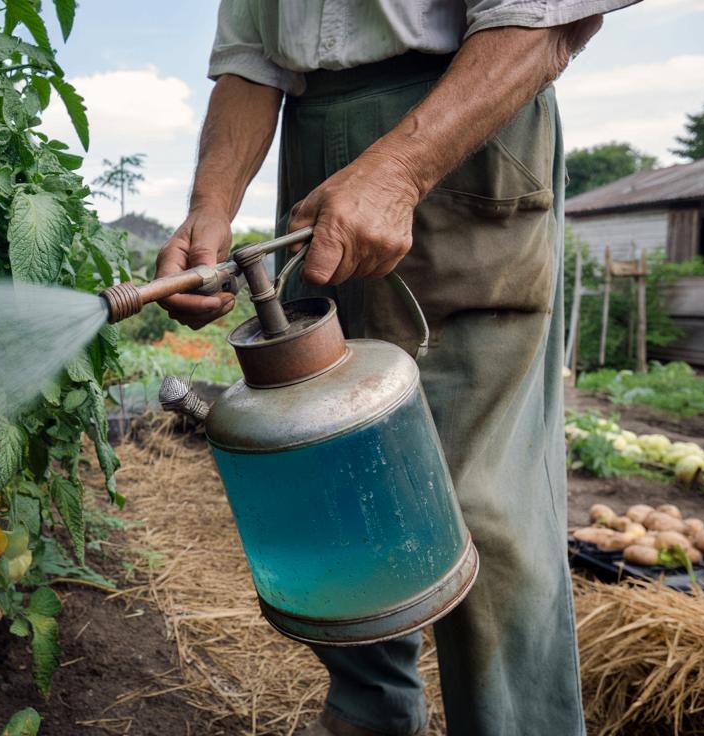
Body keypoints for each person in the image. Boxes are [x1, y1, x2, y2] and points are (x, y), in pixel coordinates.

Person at [156, 2, 639, 734]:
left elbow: (546, 19)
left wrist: (400, 169)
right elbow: (252, 58)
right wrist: (209, 207)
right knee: (338, 478)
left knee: (481, 508)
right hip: (314, 136)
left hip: (464, 118)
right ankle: (368, 716)